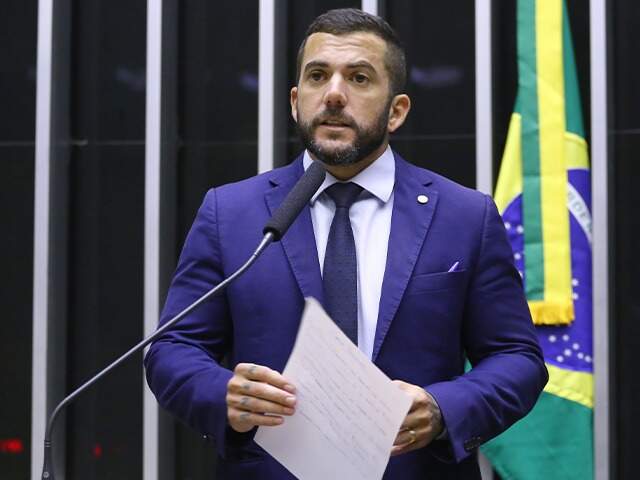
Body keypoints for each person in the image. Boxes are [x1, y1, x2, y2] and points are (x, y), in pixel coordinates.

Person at [145, 8, 547, 479]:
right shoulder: (231, 213)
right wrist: (224, 395)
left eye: (359, 78)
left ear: (396, 111)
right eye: (318, 76)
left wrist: (442, 408)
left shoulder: (464, 216)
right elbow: (173, 348)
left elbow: (518, 359)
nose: (334, 94)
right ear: (295, 101)